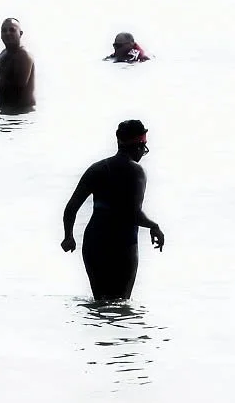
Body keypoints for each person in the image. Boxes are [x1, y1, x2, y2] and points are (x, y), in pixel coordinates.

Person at [61, 120, 165, 301]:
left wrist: (68, 236)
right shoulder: (136, 171)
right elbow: (133, 214)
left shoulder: (97, 169)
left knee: (101, 303)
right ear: (139, 145)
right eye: (144, 148)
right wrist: (154, 226)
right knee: (120, 303)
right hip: (121, 245)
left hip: (94, 244)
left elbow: (71, 208)